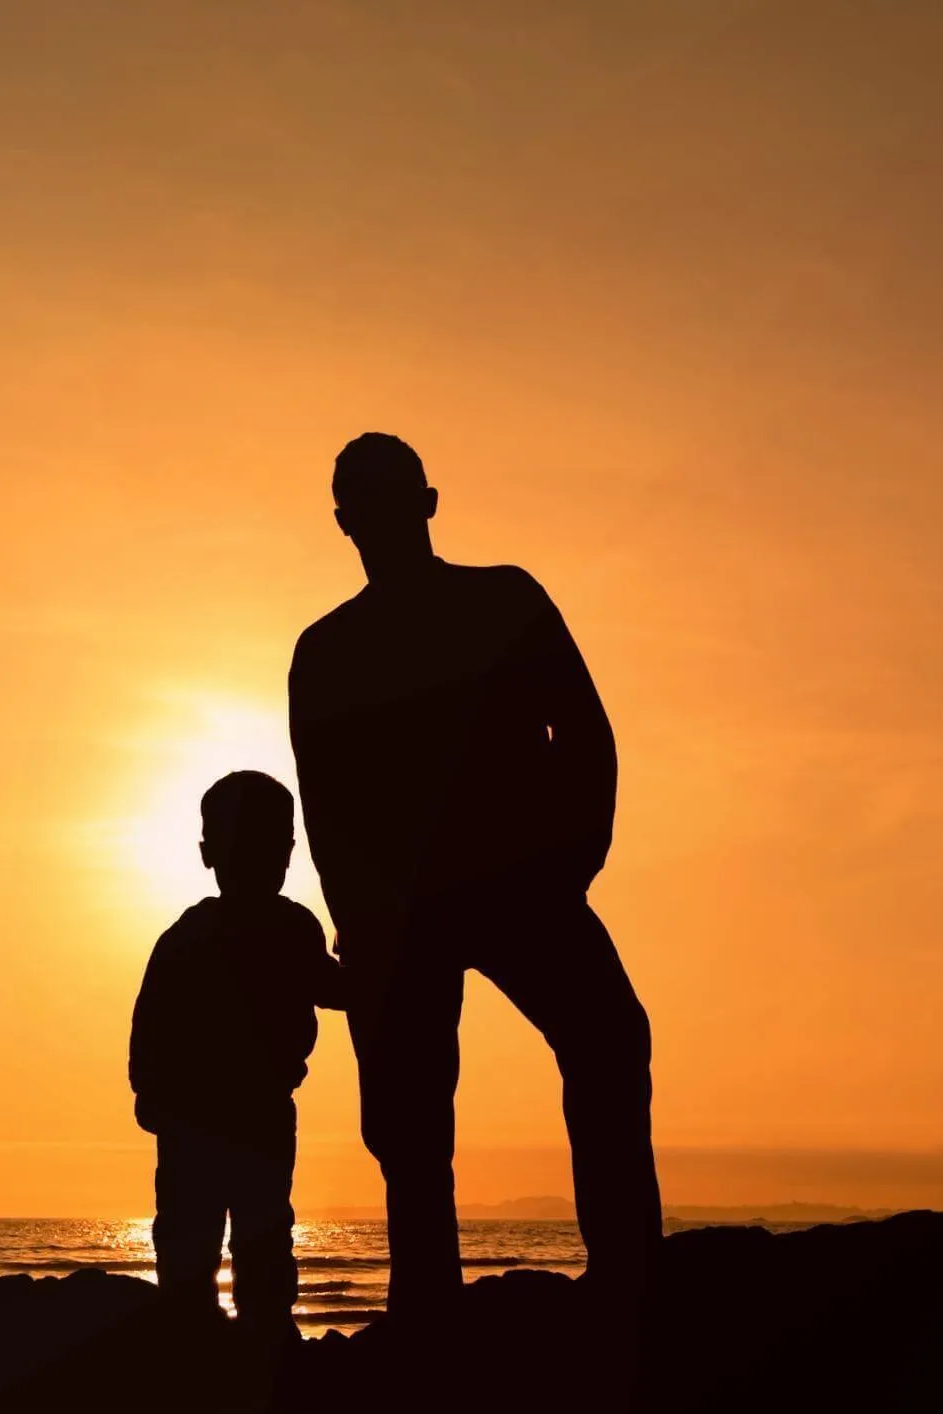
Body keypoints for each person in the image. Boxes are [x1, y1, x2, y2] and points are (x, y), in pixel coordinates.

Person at [290, 432, 660, 1317]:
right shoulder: (330, 650)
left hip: (520, 884)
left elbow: (583, 731)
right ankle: (432, 1306)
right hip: (412, 907)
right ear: (346, 522)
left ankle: (627, 1277)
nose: (376, 519)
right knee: (412, 1122)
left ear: (425, 504)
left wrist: (578, 854)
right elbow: (327, 807)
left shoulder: (501, 601)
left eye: (388, 500)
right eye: (363, 506)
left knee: (607, 1043)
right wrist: (366, 928)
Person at [128, 770, 344, 1333]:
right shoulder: (198, 937)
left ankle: (249, 1334)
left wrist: (149, 1093)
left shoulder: (285, 930)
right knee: (209, 1234)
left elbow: (332, 987)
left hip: (243, 1114)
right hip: (209, 1116)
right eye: (249, 844)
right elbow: (151, 1023)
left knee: (249, 1233)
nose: (262, 859)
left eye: (271, 845)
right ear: (208, 853)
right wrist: (150, 1092)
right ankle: (220, 1333)